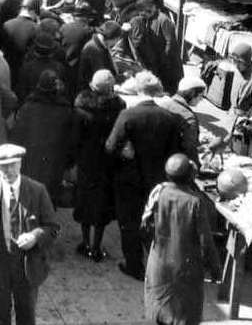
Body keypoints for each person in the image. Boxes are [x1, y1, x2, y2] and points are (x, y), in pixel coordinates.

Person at [105, 73, 187, 280]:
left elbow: (110, 147)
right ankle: (155, 265)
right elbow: (176, 152)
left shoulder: (128, 115)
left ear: (137, 91)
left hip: (129, 179)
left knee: (129, 222)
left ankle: (134, 265)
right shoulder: (169, 118)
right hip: (158, 180)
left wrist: (124, 153)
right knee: (154, 223)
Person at [0, 144, 59, 325]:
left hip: (27, 266)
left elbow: (53, 227)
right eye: (3, 166)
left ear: (21, 163)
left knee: (27, 314)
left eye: (13, 165)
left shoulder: (37, 190)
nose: (8, 170)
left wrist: (36, 236)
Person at [143, 154, 221, 325]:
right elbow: (206, 241)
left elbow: (145, 226)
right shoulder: (195, 202)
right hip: (186, 267)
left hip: (159, 262)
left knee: (159, 307)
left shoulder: (158, 192)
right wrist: (215, 267)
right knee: (184, 313)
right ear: (190, 177)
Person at [74, 70, 125, 262]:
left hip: (87, 160)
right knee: (102, 203)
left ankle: (85, 242)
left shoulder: (81, 104)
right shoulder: (119, 106)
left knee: (85, 199)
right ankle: (96, 245)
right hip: (107, 161)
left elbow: (76, 136)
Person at [10, 71, 78, 200]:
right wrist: (69, 161)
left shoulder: (27, 107)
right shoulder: (65, 110)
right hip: (54, 162)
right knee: (48, 198)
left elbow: (16, 135)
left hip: (30, 161)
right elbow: (71, 140)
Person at [157, 77, 206, 159]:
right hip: (175, 160)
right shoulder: (189, 117)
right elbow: (189, 149)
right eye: (201, 96)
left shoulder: (162, 104)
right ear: (192, 93)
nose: (201, 100)